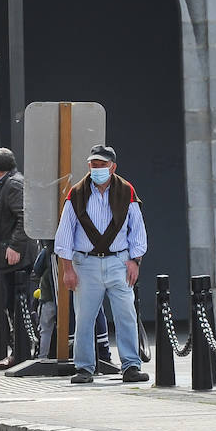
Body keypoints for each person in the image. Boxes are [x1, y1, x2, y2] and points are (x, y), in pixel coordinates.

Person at [55, 145, 149, 384]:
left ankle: (131, 365)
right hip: (85, 263)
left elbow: (137, 229)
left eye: (101, 164)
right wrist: (68, 269)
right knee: (85, 317)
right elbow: (65, 234)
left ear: (112, 166)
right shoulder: (76, 193)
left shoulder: (126, 191)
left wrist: (135, 261)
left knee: (126, 313)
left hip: (119, 260)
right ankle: (84, 368)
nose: (96, 168)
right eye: (93, 164)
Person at [0, 147, 33, 370]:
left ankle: (19, 353)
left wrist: (15, 246)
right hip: (5, 256)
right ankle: (17, 351)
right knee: (9, 304)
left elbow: (24, 216)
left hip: (16, 259)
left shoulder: (13, 184)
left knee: (16, 305)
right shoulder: (9, 183)